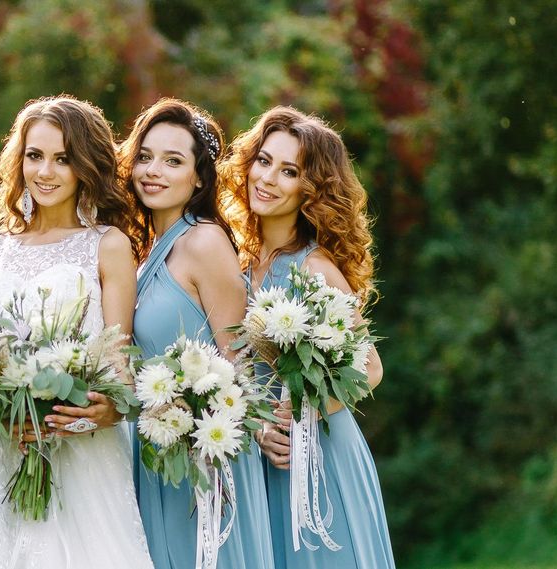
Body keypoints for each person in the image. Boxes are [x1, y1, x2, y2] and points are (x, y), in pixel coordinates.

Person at [0, 95, 154, 569]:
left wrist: (96, 413)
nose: (46, 172)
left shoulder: (108, 245)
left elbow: (118, 363)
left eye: (62, 159)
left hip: (82, 455)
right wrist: (2, 411)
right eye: (35, 156)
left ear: (85, 167)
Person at [220, 105, 394, 568]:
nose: (268, 178)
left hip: (316, 456)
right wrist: (259, 427)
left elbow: (369, 368)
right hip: (258, 454)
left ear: (310, 189)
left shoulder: (314, 268)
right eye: (264, 161)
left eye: (289, 171)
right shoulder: (234, 262)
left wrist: (300, 421)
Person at [117, 98, 276, 569]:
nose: (153, 171)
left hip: (206, 461)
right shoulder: (146, 253)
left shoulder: (204, 241)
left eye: (173, 161)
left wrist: (199, 418)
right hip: (157, 453)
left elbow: (240, 362)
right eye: (145, 156)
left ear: (199, 177)